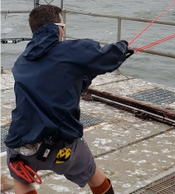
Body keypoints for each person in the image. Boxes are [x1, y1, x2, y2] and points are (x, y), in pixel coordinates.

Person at [4, 4, 133, 194]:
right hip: (62, 144)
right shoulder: (72, 50)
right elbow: (106, 58)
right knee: (93, 174)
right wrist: (123, 46)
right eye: (62, 24)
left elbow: (59, 80)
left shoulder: (22, 61)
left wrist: (84, 77)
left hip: (22, 144)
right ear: (57, 27)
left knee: (21, 179)